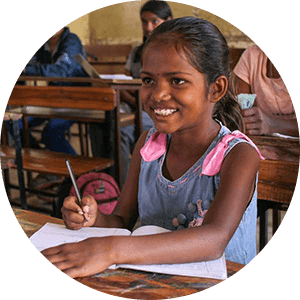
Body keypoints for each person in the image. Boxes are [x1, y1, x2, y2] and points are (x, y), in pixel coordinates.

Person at [42, 17, 263, 279]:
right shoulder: (148, 145)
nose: (157, 95)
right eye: (148, 80)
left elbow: (214, 240)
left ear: (215, 89)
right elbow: (122, 220)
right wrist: (93, 219)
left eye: (177, 81)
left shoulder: (238, 155)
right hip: (150, 283)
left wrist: (112, 249)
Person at [90, 1, 173, 185]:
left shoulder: (173, 53)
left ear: (169, 20)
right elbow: (124, 81)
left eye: (155, 21)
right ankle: (103, 181)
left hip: (155, 110)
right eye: (144, 22)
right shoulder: (137, 52)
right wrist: (133, 98)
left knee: (119, 130)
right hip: (132, 104)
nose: (148, 27)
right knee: (98, 123)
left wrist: (138, 99)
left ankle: (123, 188)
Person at [21, 27, 88, 155]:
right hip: (54, 100)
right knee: (14, 124)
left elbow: (61, 71)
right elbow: (30, 65)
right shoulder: (44, 46)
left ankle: (76, 174)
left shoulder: (71, 41)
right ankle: (42, 158)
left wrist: (27, 70)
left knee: (51, 133)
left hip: (77, 100)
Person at [233, 45, 298, 161]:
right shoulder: (252, 56)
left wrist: (271, 124)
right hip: (264, 151)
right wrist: (246, 121)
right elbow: (241, 114)